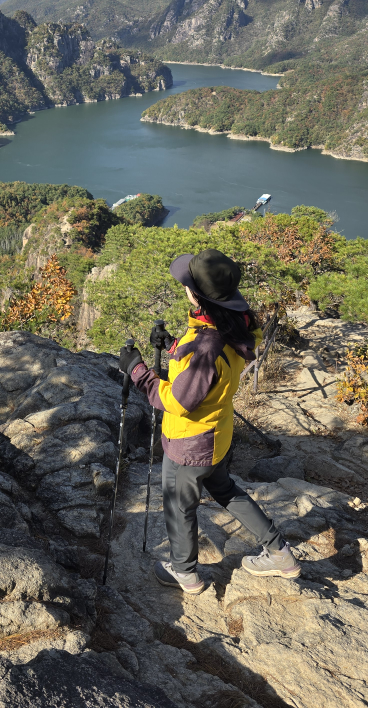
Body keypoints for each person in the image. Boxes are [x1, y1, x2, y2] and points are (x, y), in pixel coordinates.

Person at [119, 248, 300, 595]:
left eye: (188, 284)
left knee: (179, 506)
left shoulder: (208, 343)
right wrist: (174, 346)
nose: (184, 289)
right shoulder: (234, 324)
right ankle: (279, 552)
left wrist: (137, 371)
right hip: (217, 435)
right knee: (226, 490)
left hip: (190, 444)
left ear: (197, 294)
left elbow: (178, 400)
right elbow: (206, 370)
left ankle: (185, 573)